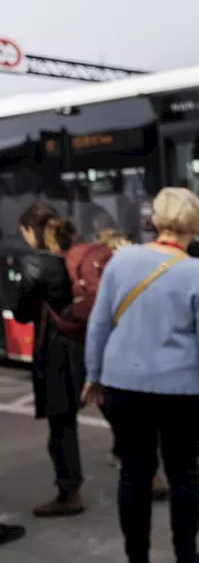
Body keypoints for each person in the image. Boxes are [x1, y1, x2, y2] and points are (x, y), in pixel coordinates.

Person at [82, 187, 199, 563]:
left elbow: (99, 324)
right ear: (197, 225)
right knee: (184, 473)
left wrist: (93, 375)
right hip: (179, 388)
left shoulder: (121, 260)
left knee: (134, 474)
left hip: (122, 385)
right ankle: (186, 560)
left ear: (155, 221)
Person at [16, 203, 87, 517]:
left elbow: (22, 312)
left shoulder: (36, 265)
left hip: (57, 350)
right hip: (87, 343)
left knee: (61, 423)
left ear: (33, 231)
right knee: (116, 411)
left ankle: (68, 493)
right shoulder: (77, 256)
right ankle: (150, 475)